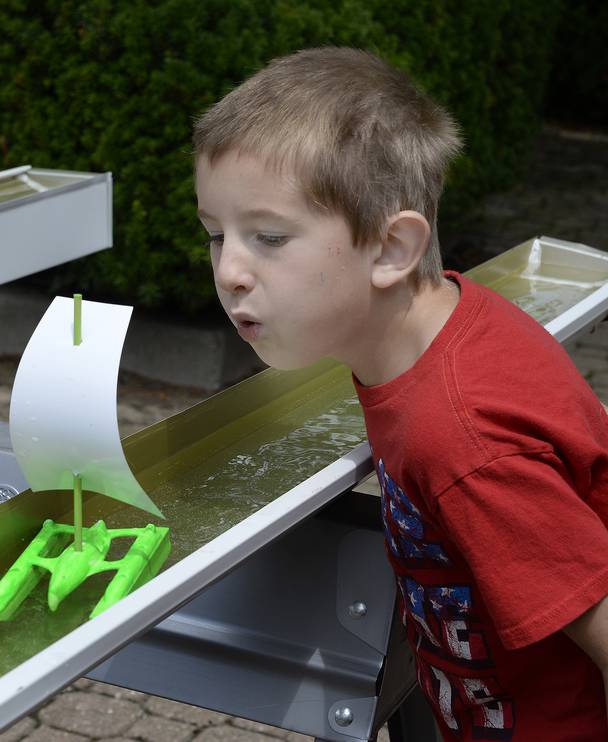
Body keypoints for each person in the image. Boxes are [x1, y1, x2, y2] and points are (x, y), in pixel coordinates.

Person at [192, 47, 608, 740]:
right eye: (214, 236)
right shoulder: (443, 328)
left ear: (390, 251)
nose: (230, 270)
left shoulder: (461, 439)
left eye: (267, 237)